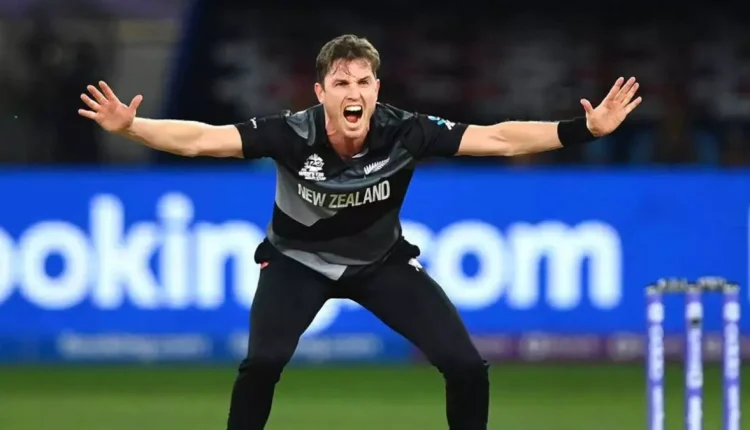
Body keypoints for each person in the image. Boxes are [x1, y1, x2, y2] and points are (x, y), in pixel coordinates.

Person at [78, 34, 641, 430]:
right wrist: (133, 128)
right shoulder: (289, 134)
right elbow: (203, 139)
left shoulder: (407, 130)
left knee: (468, 368)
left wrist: (584, 129)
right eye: (341, 81)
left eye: (364, 81)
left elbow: (498, 138)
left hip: (380, 263)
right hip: (296, 261)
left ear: (376, 89)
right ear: (320, 92)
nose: (354, 91)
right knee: (262, 364)